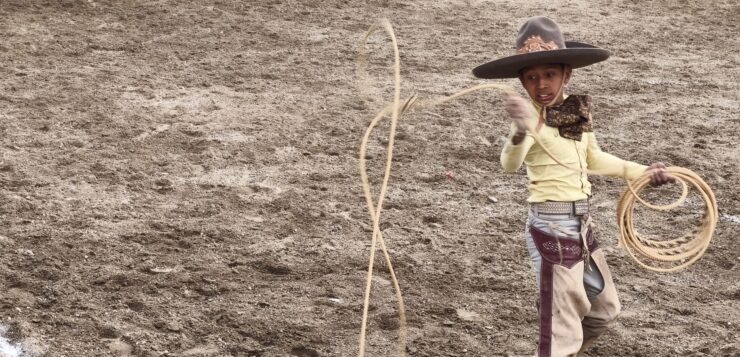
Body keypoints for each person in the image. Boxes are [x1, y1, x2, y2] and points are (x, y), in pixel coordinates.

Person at [471, 17, 674, 357]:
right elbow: (509, 164)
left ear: (567, 74)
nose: (541, 85)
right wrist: (521, 129)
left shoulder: (574, 116)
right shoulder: (529, 121)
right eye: (532, 77)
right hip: (551, 227)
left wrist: (642, 173)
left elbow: (592, 158)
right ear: (522, 82)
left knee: (604, 310)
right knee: (560, 335)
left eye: (549, 74)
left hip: (581, 227)